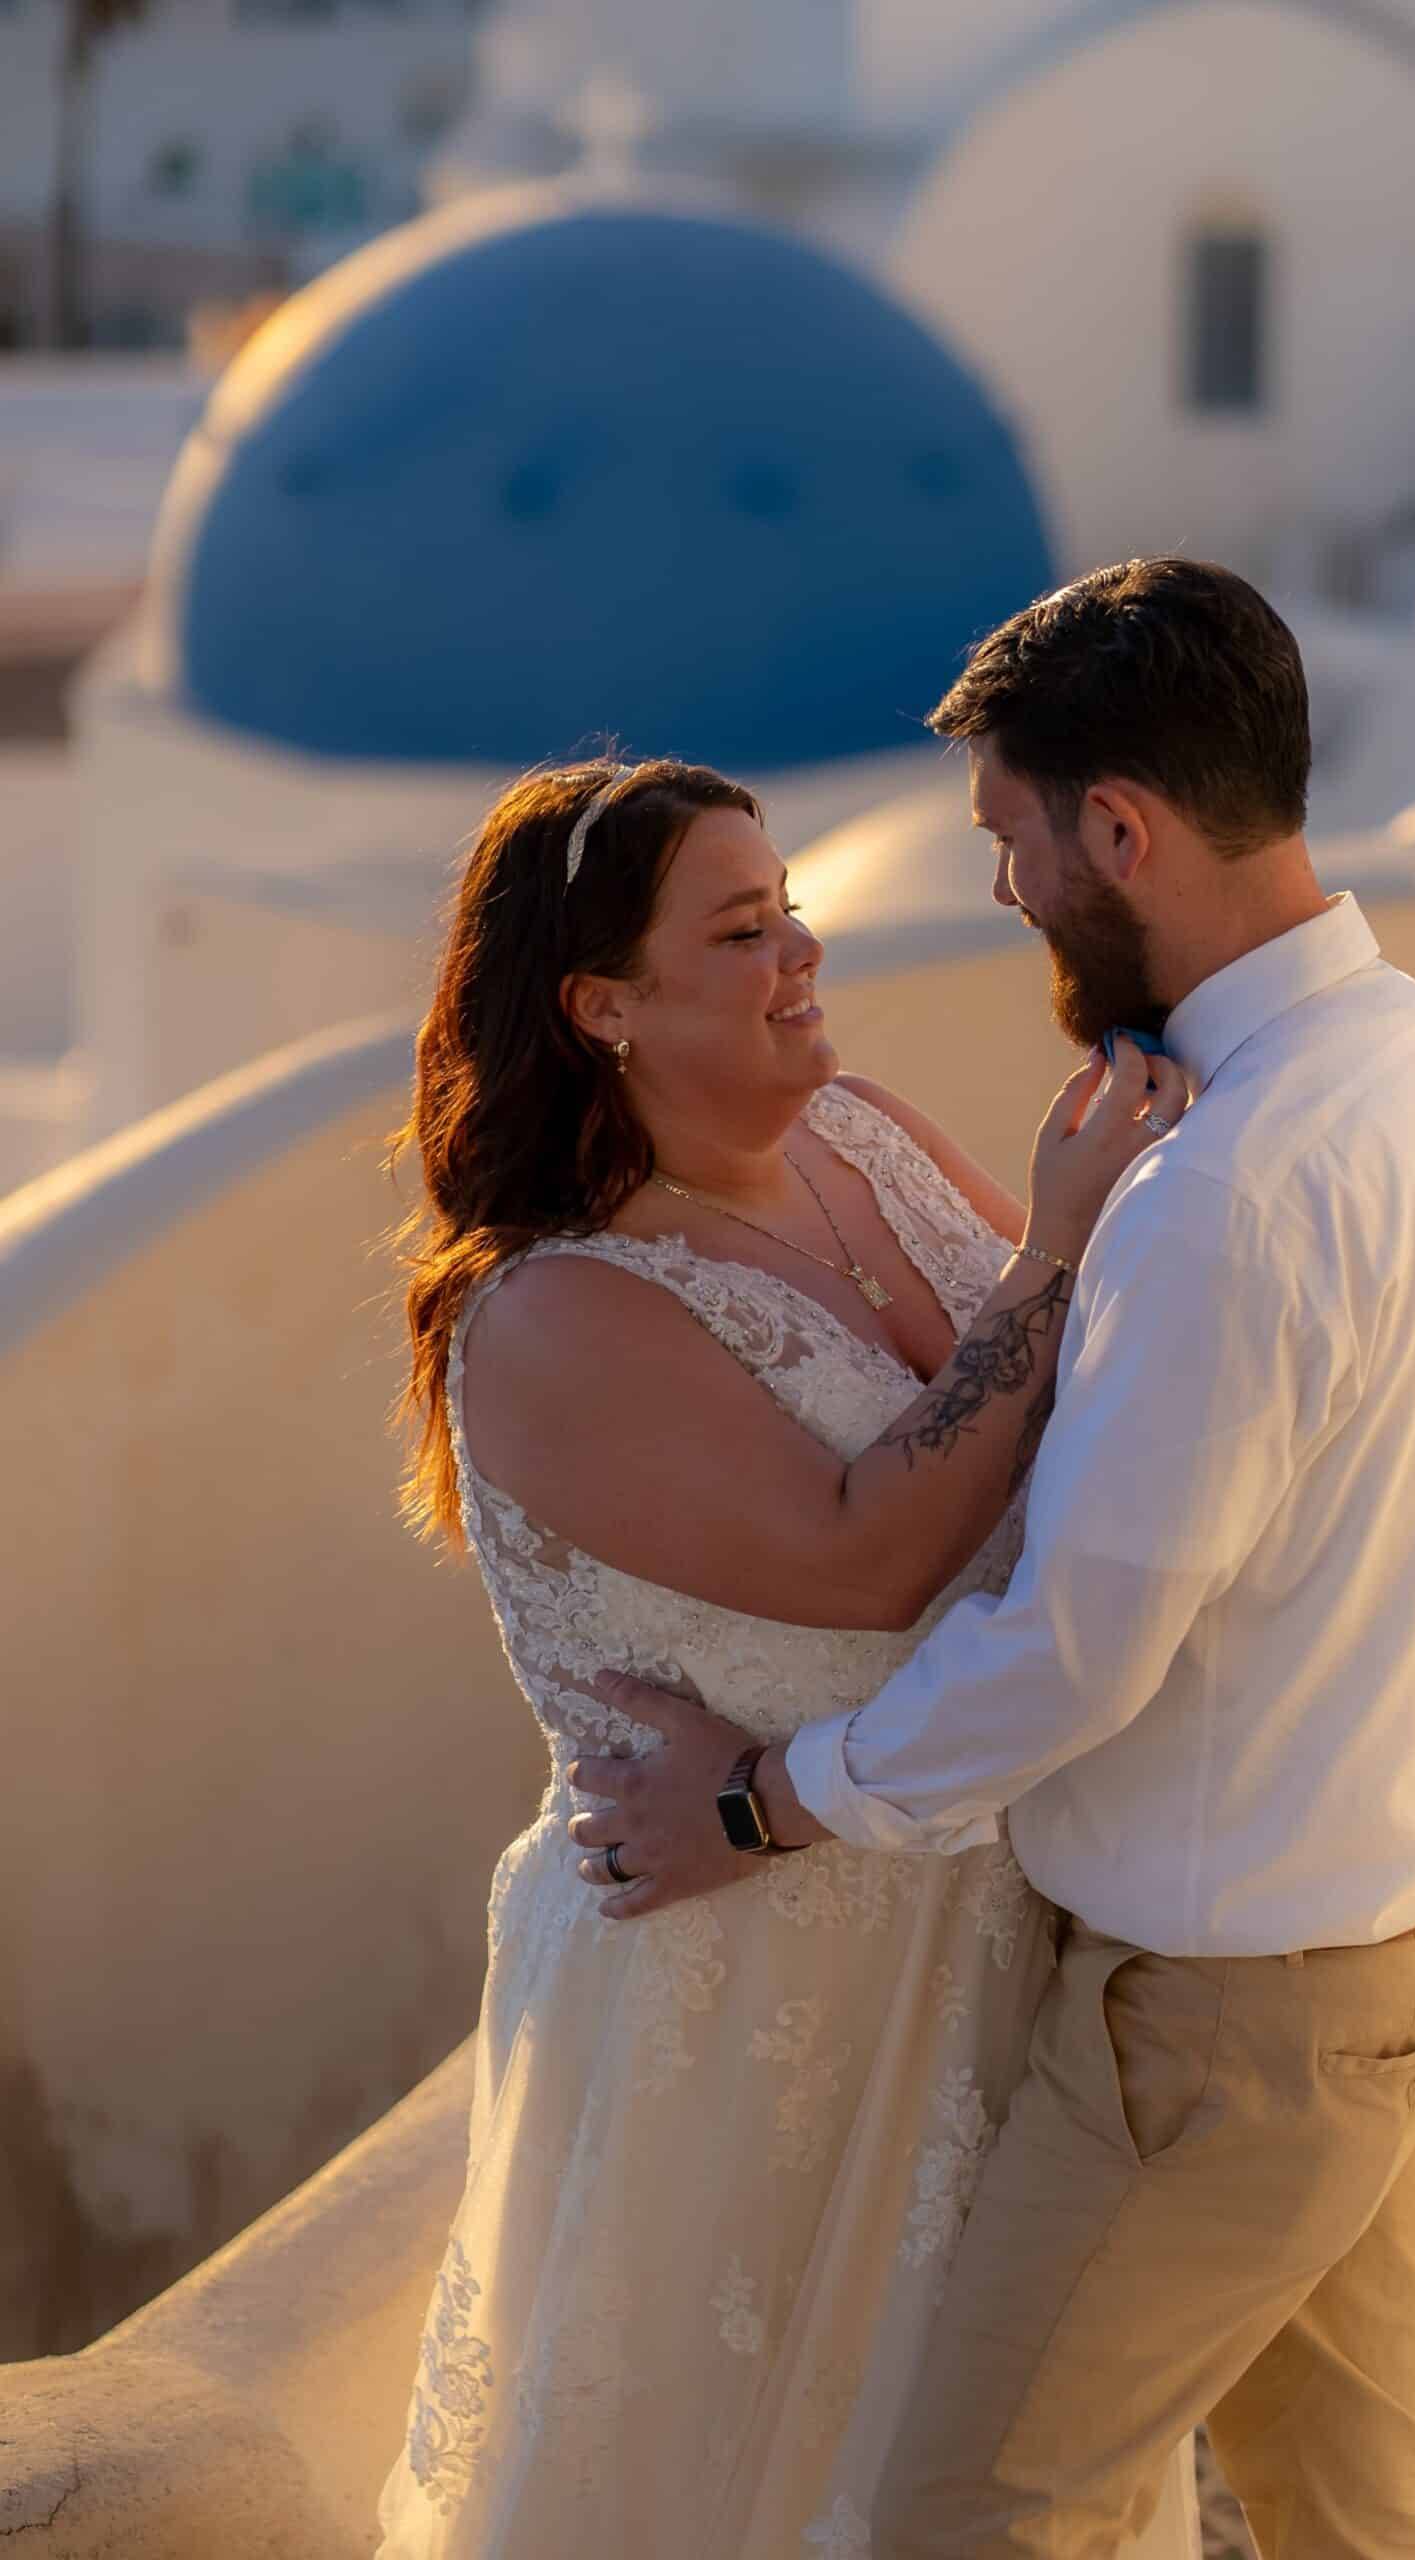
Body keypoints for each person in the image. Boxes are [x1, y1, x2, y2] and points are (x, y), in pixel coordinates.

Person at [575, 558, 1415, 2559]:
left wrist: (764, 1802)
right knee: (1358, 2508)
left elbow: (1077, 1651)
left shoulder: (1230, 1187)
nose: (1007, 892)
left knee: (974, 2515)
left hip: (1237, 2022)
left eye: (1012, 841)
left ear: (1122, 826)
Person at [373, 754, 1196, 2557]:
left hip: (984, 1913)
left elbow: (1081, 1421)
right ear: (602, 1005)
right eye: (743, 930)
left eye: (793, 904)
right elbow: (869, 1557)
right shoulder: (551, 1311)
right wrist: (1060, 1244)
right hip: (750, 1987)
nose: (802, 951)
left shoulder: (865, 1134)